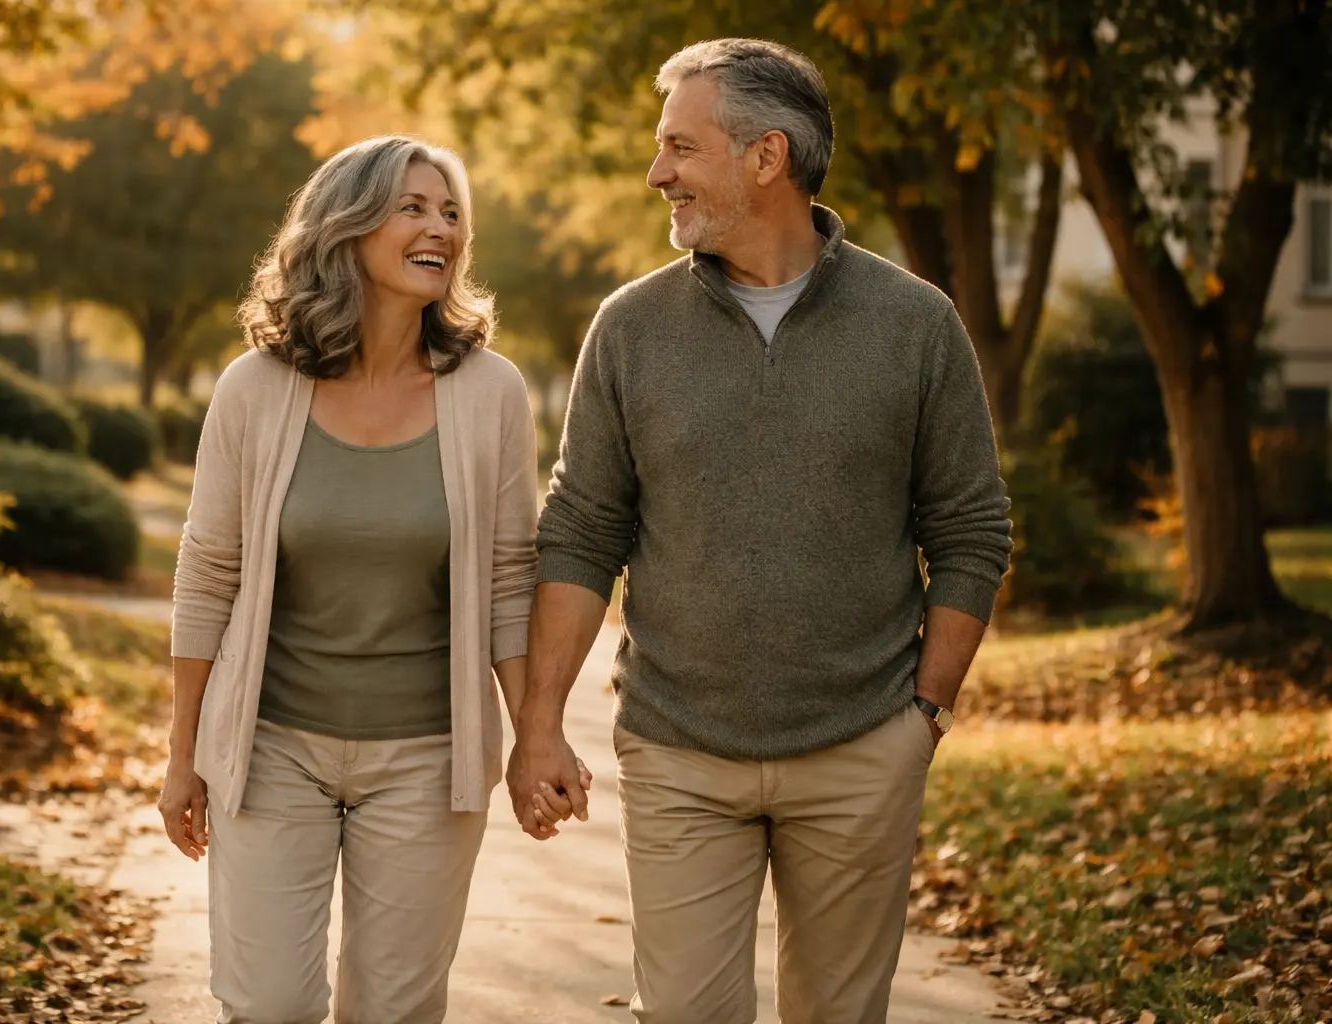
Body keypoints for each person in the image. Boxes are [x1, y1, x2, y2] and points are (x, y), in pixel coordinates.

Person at [509, 38, 1014, 1024]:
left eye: (681, 149)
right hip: (680, 750)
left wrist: (925, 719)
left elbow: (970, 528)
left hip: (863, 747)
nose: (659, 174)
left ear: (767, 158)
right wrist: (536, 729)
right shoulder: (630, 328)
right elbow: (580, 531)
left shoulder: (916, 325)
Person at [157, 134, 587, 1024]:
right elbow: (208, 575)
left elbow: (512, 579)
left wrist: (533, 735)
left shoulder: (490, 393)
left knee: (394, 1012)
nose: (442, 228)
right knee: (267, 1004)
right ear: (348, 229)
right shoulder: (254, 389)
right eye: (414, 207)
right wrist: (182, 757)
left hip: (427, 760)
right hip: (272, 748)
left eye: (453, 211)